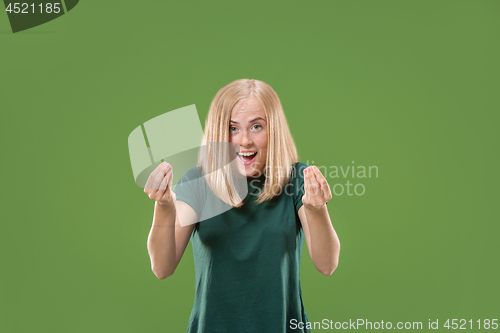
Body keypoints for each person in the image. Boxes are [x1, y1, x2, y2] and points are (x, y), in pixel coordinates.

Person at [145, 79, 340, 333]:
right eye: (232, 128)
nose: (244, 140)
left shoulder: (296, 179)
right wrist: (164, 205)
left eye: (256, 126)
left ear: (274, 130)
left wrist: (316, 209)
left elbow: (327, 264)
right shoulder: (198, 182)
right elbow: (162, 266)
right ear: (217, 132)